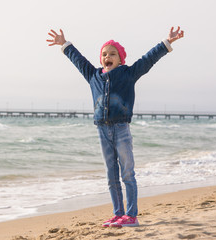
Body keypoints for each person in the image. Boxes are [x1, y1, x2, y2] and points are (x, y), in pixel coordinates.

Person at [46, 27, 184, 228]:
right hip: (102, 129)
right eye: (104, 54)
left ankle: (132, 216)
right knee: (111, 175)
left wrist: (166, 42)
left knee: (127, 173)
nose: (107, 57)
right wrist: (65, 44)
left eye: (112, 54)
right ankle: (118, 214)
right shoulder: (93, 75)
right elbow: (79, 60)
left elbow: (148, 59)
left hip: (121, 129)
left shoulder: (128, 74)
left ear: (121, 59)